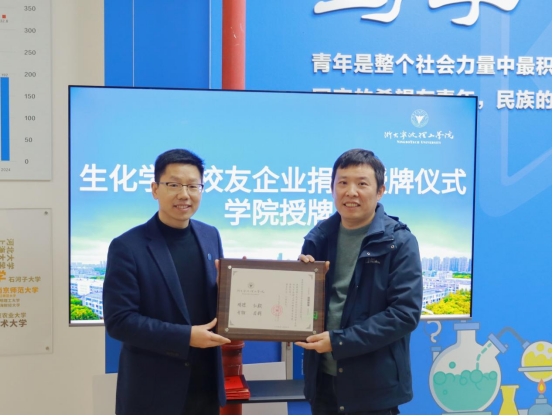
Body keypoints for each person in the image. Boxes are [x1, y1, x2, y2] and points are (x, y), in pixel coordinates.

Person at [103, 148, 231, 415]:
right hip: (153, 391)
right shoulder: (127, 246)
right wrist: (186, 337)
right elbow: (119, 321)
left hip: (205, 385)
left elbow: (208, 300)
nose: (184, 194)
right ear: (155, 189)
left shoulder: (210, 235)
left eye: (193, 186)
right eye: (174, 185)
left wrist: (231, 288)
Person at [296, 148, 423, 415]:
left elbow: (404, 314)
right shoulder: (318, 238)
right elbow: (307, 309)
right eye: (342, 183)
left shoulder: (399, 242)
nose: (350, 192)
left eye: (362, 184)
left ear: (380, 191)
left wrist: (339, 341)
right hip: (322, 383)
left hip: (374, 389)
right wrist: (298, 283)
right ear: (332, 189)